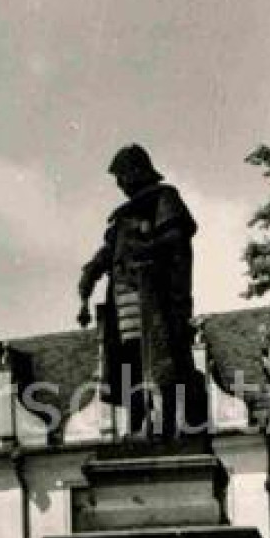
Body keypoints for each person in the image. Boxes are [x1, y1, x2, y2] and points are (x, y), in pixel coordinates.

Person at [76, 144, 202, 438]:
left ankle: (169, 426)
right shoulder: (122, 217)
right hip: (124, 300)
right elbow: (110, 250)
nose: (119, 184)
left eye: (121, 176)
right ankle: (137, 425)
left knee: (162, 361)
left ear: (136, 172)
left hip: (154, 298)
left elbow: (175, 238)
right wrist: (91, 272)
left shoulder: (164, 198)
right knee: (130, 361)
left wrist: (147, 249)